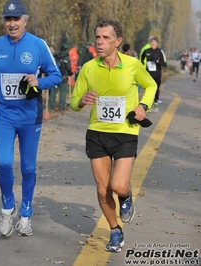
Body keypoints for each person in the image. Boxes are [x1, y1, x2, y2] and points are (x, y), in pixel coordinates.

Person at [70, 19, 157, 253]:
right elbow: (73, 101)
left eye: (106, 38)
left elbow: (150, 86)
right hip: (97, 133)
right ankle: (115, 230)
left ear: (117, 42)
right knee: (102, 189)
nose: (100, 41)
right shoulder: (88, 68)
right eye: (98, 37)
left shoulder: (132, 65)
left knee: (117, 185)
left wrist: (143, 106)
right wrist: (81, 100)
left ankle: (126, 196)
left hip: (125, 132)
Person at [0, 0, 62, 238]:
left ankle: (25, 214)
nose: (12, 23)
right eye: (8, 19)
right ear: (4, 22)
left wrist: (40, 82)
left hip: (30, 116)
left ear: (25, 20)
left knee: (28, 167)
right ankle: (8, 210)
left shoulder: (38, 45)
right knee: (4, 163)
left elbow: (56, 75)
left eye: (16, 19)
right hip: (4, 116)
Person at [140, 37, 167, 110]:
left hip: (157, 74)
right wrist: (142, 63)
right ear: (150, 43)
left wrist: (158, 62)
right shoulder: (146, 51)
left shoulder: (160, 51)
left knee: (156, 88)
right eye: (152, 42)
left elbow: (165, 63)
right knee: (147, 88)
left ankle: (156, 101)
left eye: (154, 43)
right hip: (148, 73)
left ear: (157, 44)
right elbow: (142, 57)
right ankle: (148, 103)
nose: (153, 44)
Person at [49, 43, 72, 110]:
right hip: (64, 76)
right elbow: (68, 68)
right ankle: (61, 105)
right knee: (63, 91)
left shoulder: (56, 56)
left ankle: (51, 106)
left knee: (53, 91)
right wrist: (70, 73)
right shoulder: (67, 57)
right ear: (66, 49)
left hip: (55, 76)